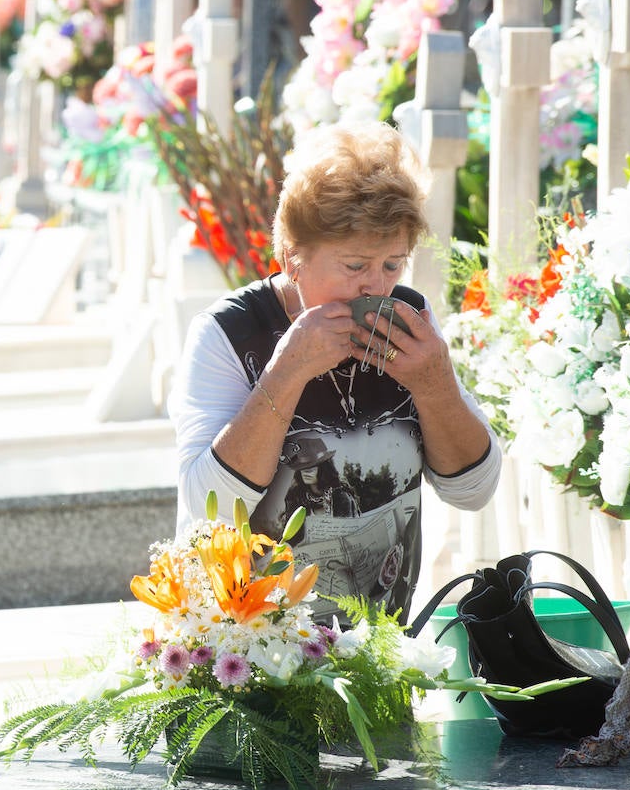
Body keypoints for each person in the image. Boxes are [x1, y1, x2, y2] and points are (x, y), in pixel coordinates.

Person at [169, 121, 501, 623]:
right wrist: (287, 372)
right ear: (292, 260)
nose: (375, 287)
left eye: (393, 265)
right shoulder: (227, 334)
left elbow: (472, 491)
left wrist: (434, 385)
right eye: (354, 266)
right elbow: (209, 508)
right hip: (243, 654)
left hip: (377, 656)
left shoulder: (410, 320)